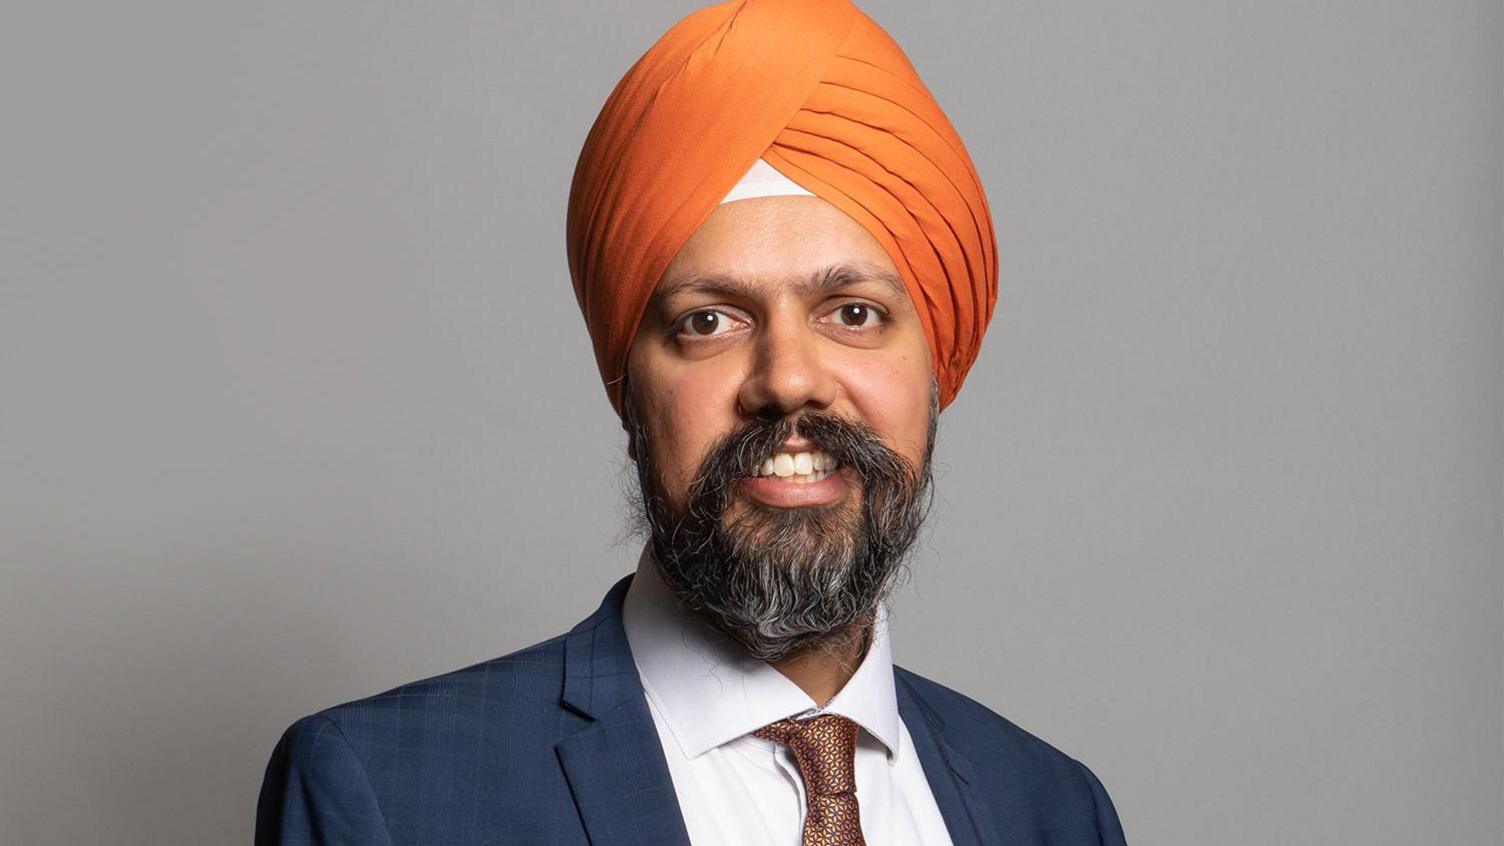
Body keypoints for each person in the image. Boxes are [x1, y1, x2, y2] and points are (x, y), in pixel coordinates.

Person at [255, 1, 1128, 843]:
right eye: (709, 320)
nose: (788, 381)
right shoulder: (387, 793)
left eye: (852, 313)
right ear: (629, 384)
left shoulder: (1052, 808)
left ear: (935, 366)